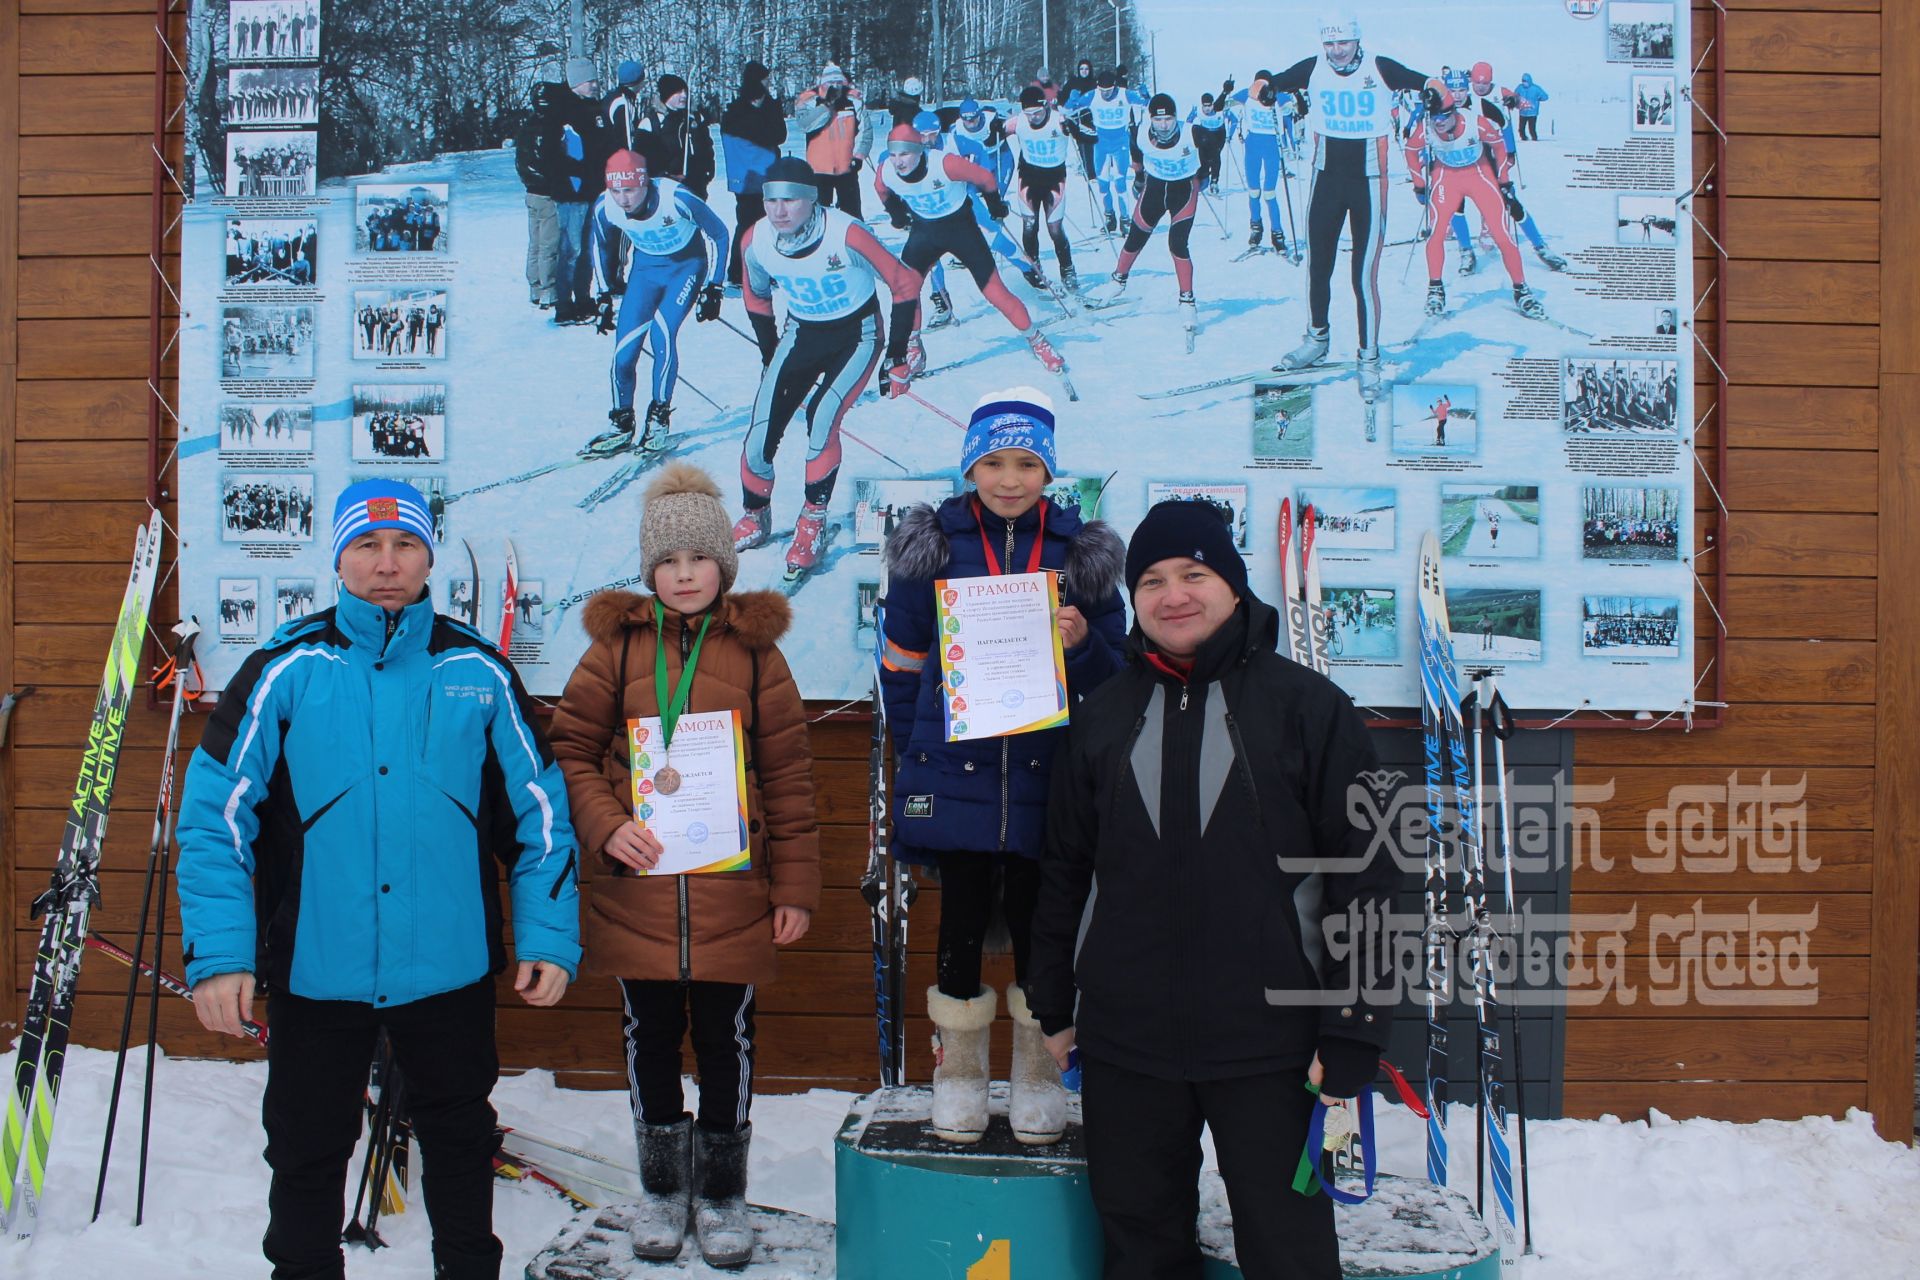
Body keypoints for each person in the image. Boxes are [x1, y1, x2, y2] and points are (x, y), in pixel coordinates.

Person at [176, 478, 581, 1280]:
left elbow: (541, 819)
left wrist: (548, 934)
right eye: (366, 545)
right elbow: (214, 819)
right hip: (317, 968)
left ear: (429, 555)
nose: (387, 564)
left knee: (462, 1143)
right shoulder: (285, 670)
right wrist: (221, 955)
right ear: (339, 557)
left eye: (405, 546)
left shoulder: (480, 671)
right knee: (305, 1150)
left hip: (449, 967)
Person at [1027, 499, 1400, 1280]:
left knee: (1288, 1248)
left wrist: (1355, 1028)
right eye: (1153, 580)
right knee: (1139, 1243)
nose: (1173, 595)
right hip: (1128, 1044)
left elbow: (1370, 874)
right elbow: (1064, 869)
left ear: (1232, 584)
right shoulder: (1102, 716)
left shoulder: (1310, 709)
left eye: (1194, 574)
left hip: (1274, 1049)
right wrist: (1054, 1006)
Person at [549, 463, 820, 1267]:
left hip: (734, 894)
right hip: (641, 892)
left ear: (724, 564)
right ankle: (665, 1191)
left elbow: (790, 775)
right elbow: (570, 746)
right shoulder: (615, 647)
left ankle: (725, 1195)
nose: (685, 574)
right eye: (668, 563)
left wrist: (796, 886)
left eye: (699, 559)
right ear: (649, 571)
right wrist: (607, 824)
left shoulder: (756, 653)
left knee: (728, 1040)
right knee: (649, 1039)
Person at [878, 387, 1126, 1145]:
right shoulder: (935, 545)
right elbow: (900, 658)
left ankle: (1037, 1075)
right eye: (993, 461)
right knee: (958, 920)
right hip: (958, 771)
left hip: (1048, 774)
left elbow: (1116, 678)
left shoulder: (1079, 554)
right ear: (970, 467)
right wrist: (920, 741)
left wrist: (1080, 642)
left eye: (1026, 463)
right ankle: (956, 1075)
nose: (1009, 478)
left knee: (1039, 923)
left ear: (1049, 472)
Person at [731, 156, 921, 579]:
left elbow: (903, 283)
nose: (779, 211)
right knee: (760, 433)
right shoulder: (756, 240)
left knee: (820, 422)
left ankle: (811, 523)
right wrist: (769, 354)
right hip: (802, 333)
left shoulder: (846, 233)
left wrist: (897, 356)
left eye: (791, 201)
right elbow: (755, 297)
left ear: (812, 201)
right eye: (771, 200)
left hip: (856, 335)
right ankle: (755, 514)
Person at [1267, 12, 1429, 400]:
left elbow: (1423, 82)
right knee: (1318, 265)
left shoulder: (1380, 67)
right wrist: (1263, 85)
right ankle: (1316, 339)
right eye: (1330, 44)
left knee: (1363, 278)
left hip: (1369, 184)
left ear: (1357, 41)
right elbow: (1272, 81)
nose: (1337, 51)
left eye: (1343, 43)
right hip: (1326, 181)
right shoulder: (1314, 68)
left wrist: (1436, 91)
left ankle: (1368, 358)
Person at [872, 122, 1067, 388]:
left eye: (905, 154)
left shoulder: (945, 163)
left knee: (994, 291)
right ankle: (913, 346)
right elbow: (881, 188)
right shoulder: (887, 171)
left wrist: (995, 204)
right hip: (924, 232)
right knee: (905, 290)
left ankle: (1037, 340)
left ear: (919, 149)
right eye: (893, 154)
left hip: (961, 229)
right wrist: (895, 212)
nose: (898, 161)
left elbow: (985, 178)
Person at [582, 149, 730, 457]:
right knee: (624, 353)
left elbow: (719, 234)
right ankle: (622, 423)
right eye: (616, 190)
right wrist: (603, 295)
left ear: (645, 183)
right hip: (645, 272)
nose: (623, 199)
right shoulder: (605, 207)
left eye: (630, 190)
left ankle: (658, 418)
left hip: (686, 267)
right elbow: (598, 246)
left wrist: (714, 286)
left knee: (662, 334)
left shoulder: (676, 198)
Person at [1406, 79, 1547, 321]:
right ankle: (1435, 289)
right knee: (1436, 232)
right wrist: (1419, 185)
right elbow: (1410, 150)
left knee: (1502, 234)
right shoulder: (1426, 125)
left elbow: (1500, 146)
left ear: (1454, 112)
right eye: (1434, 119)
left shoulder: (1475, 122)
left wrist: (1503, 180)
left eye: (1443, 118)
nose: (1439, 124)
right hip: (1446, 177)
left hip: (1479, 174)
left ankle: (1521, 289)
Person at [1109, 93, 1202, 336]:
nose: (1163, 125)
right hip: (1155, 189)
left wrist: (1205, 174)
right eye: (1158, 120)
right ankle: (1118, 280)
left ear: (1176, 119)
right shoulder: (1140, 132)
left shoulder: (1191, 132)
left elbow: (1213, 147)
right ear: (1151, 120)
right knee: (1136, 236)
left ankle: (1187, 302)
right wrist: (1139, 175)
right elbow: (1135, 148)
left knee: (1177, 244)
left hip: (1183, 192)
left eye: (1169, 119)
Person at [545, 57, 613, 324]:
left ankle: (583, 299)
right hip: (571, 192)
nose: (595, 85)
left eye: (596, 80)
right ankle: (564, 304)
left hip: (592, 189)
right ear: (576, 83)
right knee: (571, 248)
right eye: (589, 81)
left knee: (587, 248)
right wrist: (580, 172)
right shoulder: (560, 112)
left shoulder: (593, 109)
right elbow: (555, 155)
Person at [1005, 86, 1081, 292]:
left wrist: (1076, 129)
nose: (1034, 118)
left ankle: (1067, 269)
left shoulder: (1059, 120)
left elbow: (1089, 137)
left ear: (1046, 106)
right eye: (1029, 114)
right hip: (1028, 179)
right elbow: (991, 134)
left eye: (1037, 113)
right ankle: (1034, 267)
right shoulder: (1019, 121)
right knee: (1029, 225)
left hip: (1054, 180)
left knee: (1055, 228)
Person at [720, 60, 786, 291]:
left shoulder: (738, 111)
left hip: (753, 175)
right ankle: (741, 271)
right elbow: (773, 135)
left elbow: (777, 135)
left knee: (758, 224)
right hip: (754, 175)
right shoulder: (741, 112)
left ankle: (748, 270)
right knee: (754, 224)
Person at [1067, 70, 1148, 233]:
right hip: (1101, 143)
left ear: (1115, 87)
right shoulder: (1093, 95)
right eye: (1103, 91)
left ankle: (1125, 218)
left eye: (1109, 91)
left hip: (1120, 143)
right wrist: (1072, 99)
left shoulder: (1125, 94)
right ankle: (1109, 216)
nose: (1106, 94)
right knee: (1103, 182)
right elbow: (1068, 111)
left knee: (1119, 181)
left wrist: (1146, 95)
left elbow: (1148, 105)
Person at [514, 67, 566, 310]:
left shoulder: (528, 125)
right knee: (548, 245)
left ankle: (534, 286)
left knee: (535, 243)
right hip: (546, 193)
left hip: (531, 191)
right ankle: (548, 290)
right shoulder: (551, 127)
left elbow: (523, 160)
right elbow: (552, 160)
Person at [792, 63, 872, 216]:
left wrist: (859, 155)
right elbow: (805, 125)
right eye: (830, 83)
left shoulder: (853, 100)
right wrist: (827, 105)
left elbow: (865, 130)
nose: (835, 86)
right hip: (819, 169)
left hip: (847, 166)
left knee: (852, 212)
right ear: (822, 83)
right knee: (819, 213)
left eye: (838, 83)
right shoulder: (808, 99)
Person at [1226, 71, 1291, 253]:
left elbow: (1291, 105)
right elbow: (1223, 106)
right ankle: (1256, 228)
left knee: (1269, 192)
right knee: (1254, 190)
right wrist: (1226, 93)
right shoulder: (1246, 94)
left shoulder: (1276, 95)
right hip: (1253, 145)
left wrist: (1295, 100)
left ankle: (1277, 234)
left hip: (1271, 145)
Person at [640, 74, 717, 200]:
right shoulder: (651, 124)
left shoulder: (694, 120)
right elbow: (644, 160)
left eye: (685, 91)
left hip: (696, 187)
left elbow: (706, 147)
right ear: (666, 95)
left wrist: (707, 171)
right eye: (678, 92)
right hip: (664, 189)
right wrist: (666, 176)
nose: (684, 95)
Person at [1512, 72, 1548, 141]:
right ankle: (1524, 139)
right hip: (1523, 112)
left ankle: (1534, 140)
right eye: (1523, 81)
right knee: (1521, 129)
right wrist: (1516, 101)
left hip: (1532, 112)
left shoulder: (1536, 88)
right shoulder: (1520, 87)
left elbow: (1545, 96)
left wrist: (1539, 98)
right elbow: (1514, 95)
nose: (1524, 83)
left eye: (1525, 81)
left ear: (1529, 81)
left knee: (1532, 129)